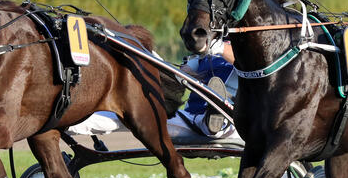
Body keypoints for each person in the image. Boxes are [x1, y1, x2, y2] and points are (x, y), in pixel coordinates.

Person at [66, 39, 240, 143]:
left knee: (217, 119)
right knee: (129, 116)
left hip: (231, 123)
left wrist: (217, 45)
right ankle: (69, 123)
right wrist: (151, 60)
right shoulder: (205, 56)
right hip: (188, 120)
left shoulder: (244, 55)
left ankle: (215, 116)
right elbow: (178, 76)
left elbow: (240, 59)